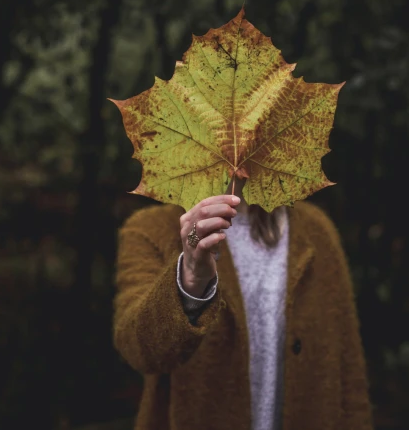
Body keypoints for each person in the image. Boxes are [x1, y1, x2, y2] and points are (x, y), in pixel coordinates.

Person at [113, 177, 373, 430]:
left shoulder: (316, 231)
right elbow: (138, 347)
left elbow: (349, 375)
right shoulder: (151, 229)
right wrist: (189, 279)